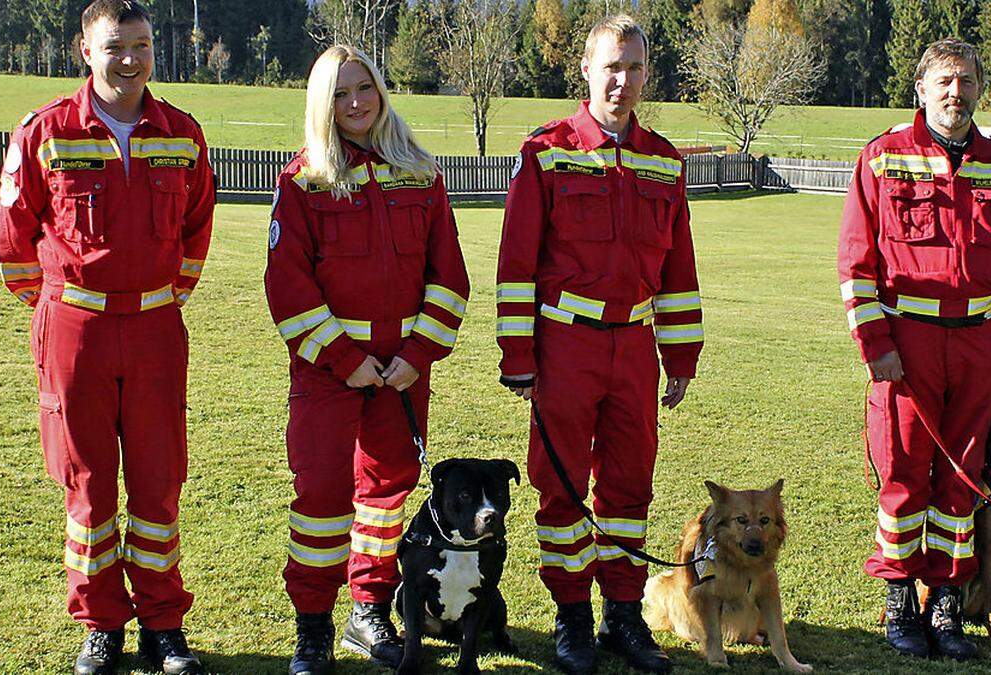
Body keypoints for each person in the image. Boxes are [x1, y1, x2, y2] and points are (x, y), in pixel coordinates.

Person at [0, 1, 214, 673]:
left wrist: (164, 297)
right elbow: (13, 235)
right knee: (88, 484)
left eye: (142, 44)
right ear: (85, 50)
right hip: (75, 331)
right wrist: (58, 305)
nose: (131, 58)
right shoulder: (46, 131)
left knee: (158, 480)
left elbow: (198, 225)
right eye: (116, 45)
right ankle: (101, 623)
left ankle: (163, 624)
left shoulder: (182, 133)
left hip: (154, 328)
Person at [495, 15, 703, 675]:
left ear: (646, 75)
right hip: (565, 345)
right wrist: (519, 358)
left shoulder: (663, 160)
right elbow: (516, 265)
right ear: (586, 70)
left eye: (634, 68)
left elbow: (679, 270)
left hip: (635, 349)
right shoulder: (547, 151)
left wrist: (682, 357)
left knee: (628, 486)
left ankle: (621, 617)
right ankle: (571, 620)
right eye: (611, 66)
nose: (622, 80)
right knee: (560, 491)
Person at [264, 45, 470, 674]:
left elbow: (450, 277)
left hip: (404, 374)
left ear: (381, 92)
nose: (356, 104)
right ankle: (313, 627)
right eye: (340, 94)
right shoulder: (303, 182)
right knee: (322, 499)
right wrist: (345, 357)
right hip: (330, 374)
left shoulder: (422, 174)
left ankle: (369, 608)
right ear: (321, 105)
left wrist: (417, 354)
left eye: (365, 89)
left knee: (386, 498)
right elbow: (288, 285)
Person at [837, 38, 991, 661]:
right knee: (902, 476)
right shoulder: (882, 158)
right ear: (921, 89)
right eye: (945, 81)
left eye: (967, 81)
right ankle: (900, 601)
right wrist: (875, 342)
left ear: (980, 88)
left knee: (962, 484)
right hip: (907, 343)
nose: (956, 93)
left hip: (979, 345)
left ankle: (946, 601)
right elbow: (856, 262)